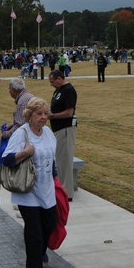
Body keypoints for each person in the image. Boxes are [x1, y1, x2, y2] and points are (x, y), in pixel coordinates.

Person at [1, 96, 58, 268]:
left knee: (50, 224)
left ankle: (40, 251)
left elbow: (53, 159)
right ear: (30, 116)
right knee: (34, 233)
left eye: (45, 113)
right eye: (39, 114)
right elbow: (6, 159)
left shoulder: (49, 133)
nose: (43, 117)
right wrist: (25, 152)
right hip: (28, 190)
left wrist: (56, 180)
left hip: (47, 188)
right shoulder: (21, 134)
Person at [47, 70, 78, 198]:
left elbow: (69, 112)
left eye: (52, 81)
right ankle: (60, 188)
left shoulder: (69, 90)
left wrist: (52, 116)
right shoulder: (58, 90)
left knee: (65, 160)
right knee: (59, 160)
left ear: (59, 78)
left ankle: (66, 193)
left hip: (65, 129)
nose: (51, 84)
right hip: (57, 130)